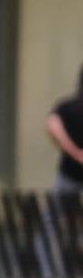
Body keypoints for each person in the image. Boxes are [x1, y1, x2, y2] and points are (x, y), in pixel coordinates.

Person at [46, 65, 83, 196]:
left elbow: (52, 125)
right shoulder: (70, 107)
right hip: (69, 176)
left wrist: (75, 152)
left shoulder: (68, 106)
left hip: (69, 174)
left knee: (56, 215)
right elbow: (52, 125)